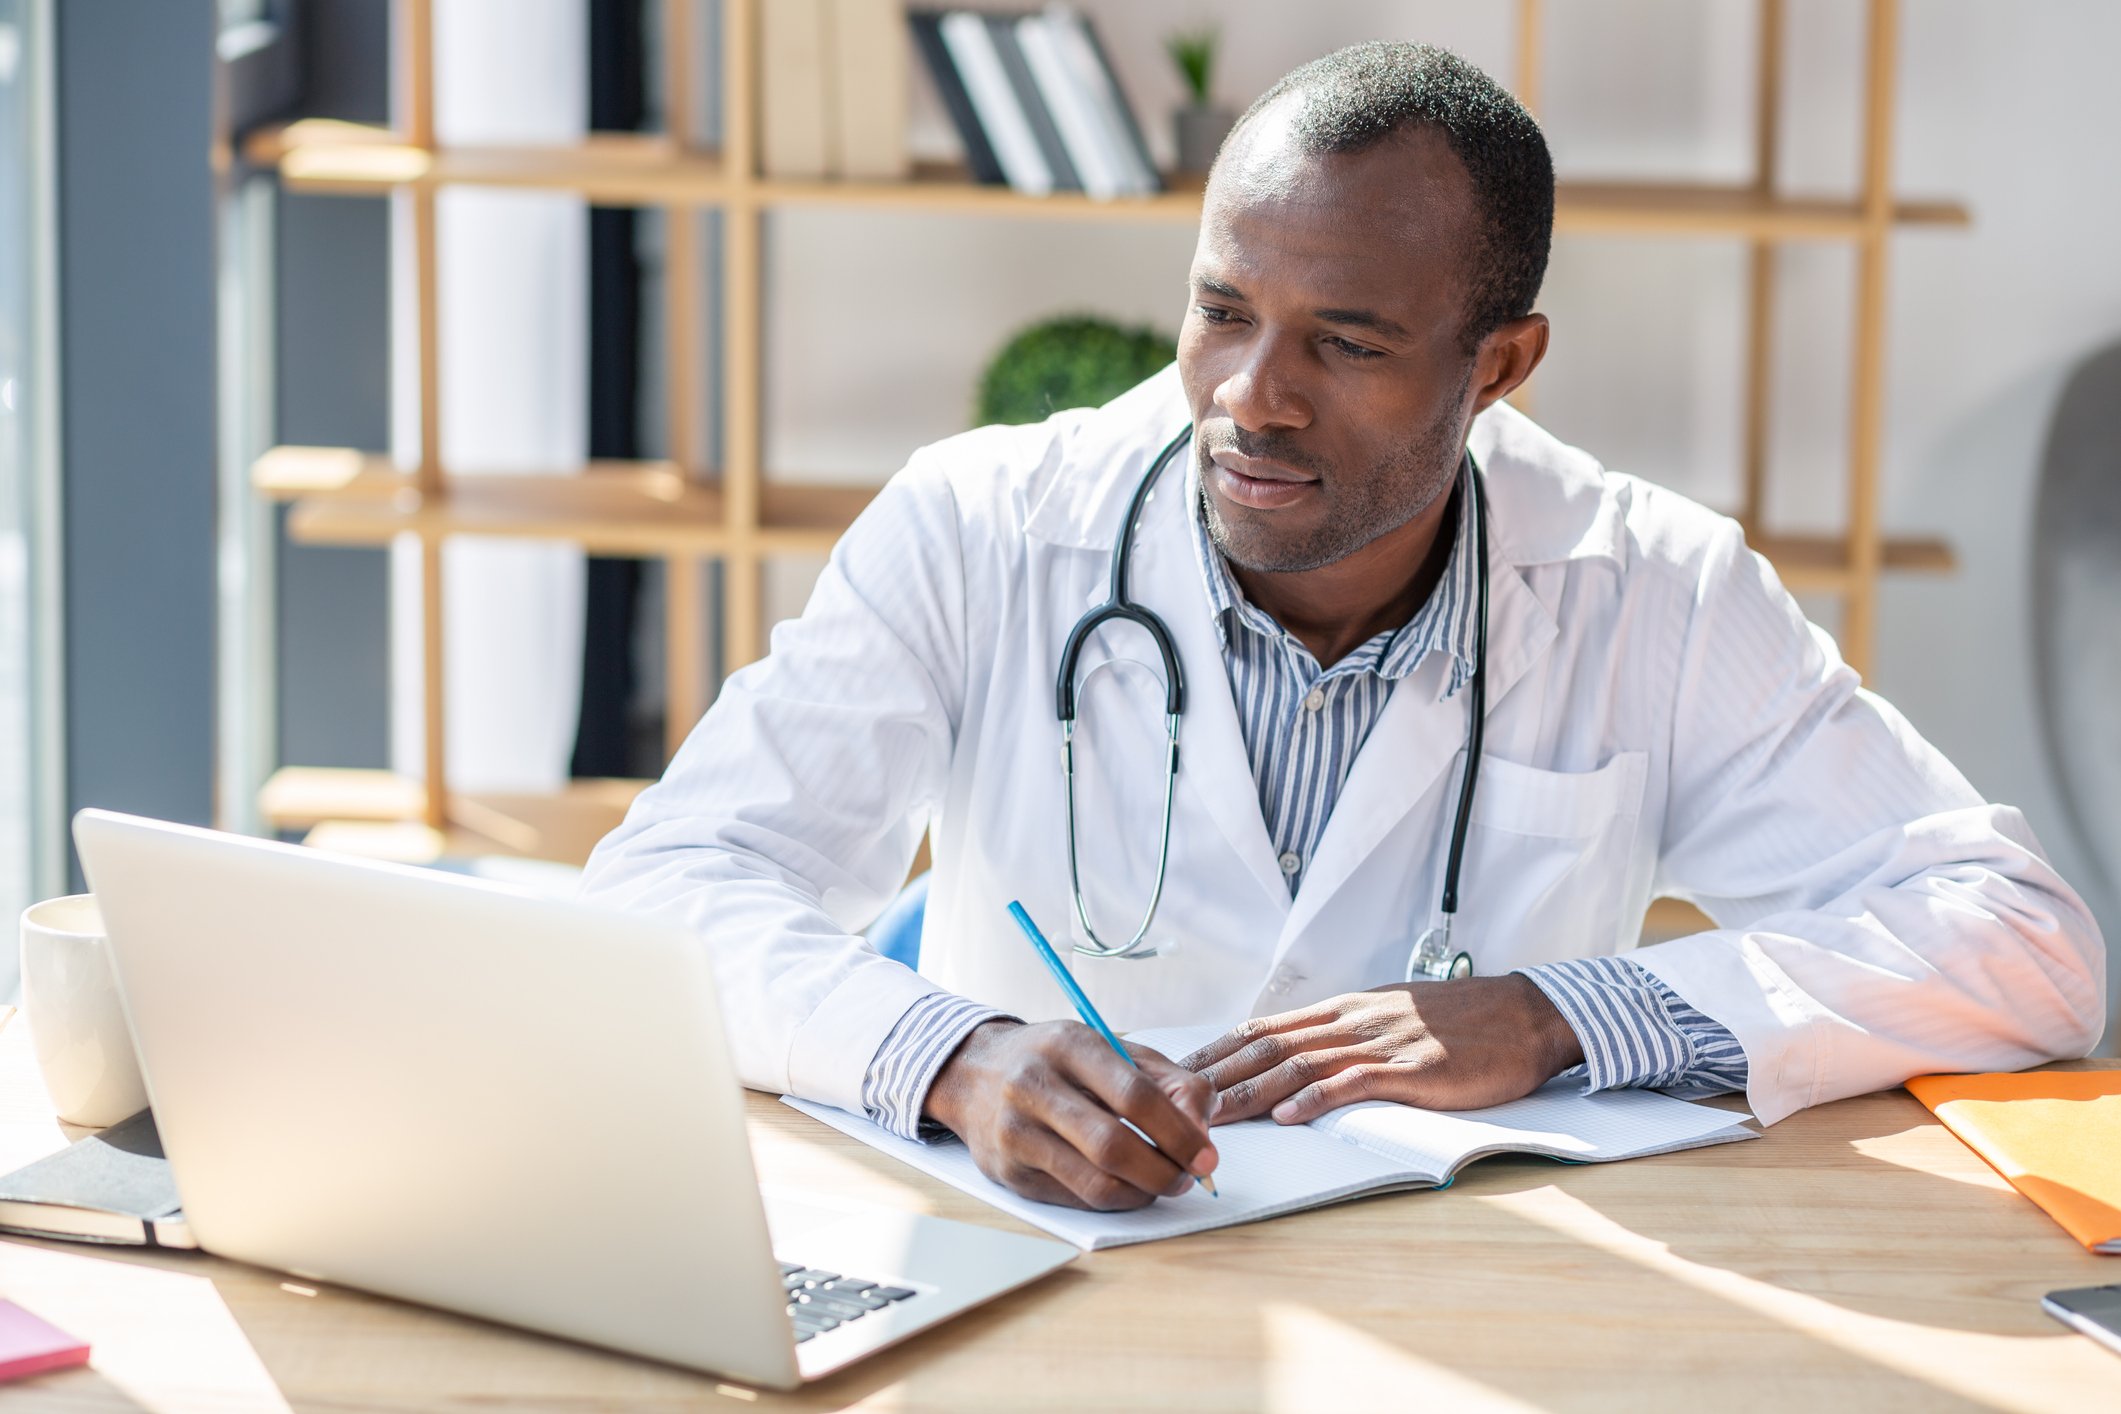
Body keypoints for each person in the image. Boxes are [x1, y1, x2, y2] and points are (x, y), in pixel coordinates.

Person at [581, 43, 2106, 1212]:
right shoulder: (980, 524)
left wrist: (1564, 1013)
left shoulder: (1651, 584)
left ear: (1499, 363)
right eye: (1223, 309)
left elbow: (2024, 942)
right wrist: (947, 1056)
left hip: (1471, 1295)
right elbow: (666, 885)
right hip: (1037, 1266)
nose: (1253, 396)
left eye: (1348, 341)